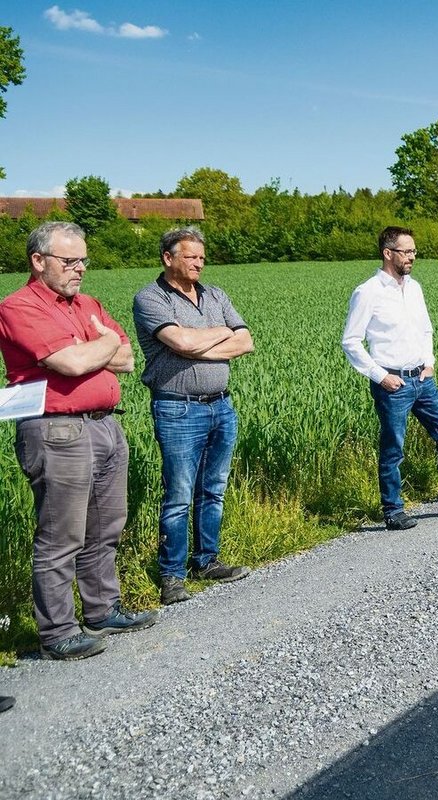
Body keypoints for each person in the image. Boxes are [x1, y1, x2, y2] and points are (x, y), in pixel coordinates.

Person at [0, 221, 158, 660]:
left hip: (106, 424)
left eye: (83, 260)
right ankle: (58, 632)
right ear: (38, 261)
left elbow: (127, 358)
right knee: (61, 534)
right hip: (57, 430)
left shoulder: (87, 303)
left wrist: (94, 348)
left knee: (106, 526)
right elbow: (70, 363)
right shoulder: (18, 307)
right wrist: (100, 342)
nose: (80, 268)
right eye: (69, 261)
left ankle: (103, 610)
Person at [133, 227, 253, 606]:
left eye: (202, 257)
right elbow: (180, 341)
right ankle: (172, 576)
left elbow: (246, 341)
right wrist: (220, 333)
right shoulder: (150, 298)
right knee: (179, 494)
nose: (199, 263)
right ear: (168, 258)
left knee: (213, 489)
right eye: (191, 257)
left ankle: (207, 561)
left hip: (221, 405)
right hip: (177, 408)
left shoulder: (215, 294)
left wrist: (199, 343)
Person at [342, 226, 438, 527]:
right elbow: (351, 341)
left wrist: (429, 362)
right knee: (393, 447)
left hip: (423, 380)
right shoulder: (368, 292)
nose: (412, 256)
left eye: (413, 251)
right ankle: (393, 510)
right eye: (406, 251)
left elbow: (425, 329)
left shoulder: (415, 288)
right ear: (388, 253)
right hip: (392, 384)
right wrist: (380, 376)